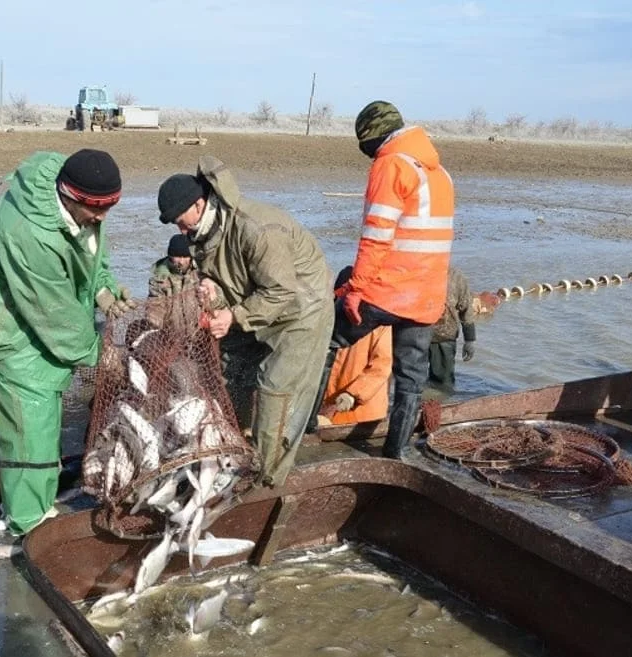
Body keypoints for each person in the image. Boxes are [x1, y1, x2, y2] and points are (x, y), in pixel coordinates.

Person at [0, 148, 134, 535]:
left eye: (108, 209)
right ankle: (26, 524)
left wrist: (103, 289)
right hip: (3, 322)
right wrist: (99, 354)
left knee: (47, 412)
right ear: (69, 196)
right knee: (28, 423)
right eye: (95, 209)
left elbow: (92, 252)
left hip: (38, 311)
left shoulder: (78, 199)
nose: (102, 218)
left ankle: (38, 502)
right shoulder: (28, 232)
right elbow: (53, 314)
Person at [157, 156, 333, 487]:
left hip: (303, 309)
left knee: (274, 388)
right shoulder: (201, 232)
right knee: (228, 372)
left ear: (199, 204)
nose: (180, 231)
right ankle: (233, 448)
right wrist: (213, 290)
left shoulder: (257, 228)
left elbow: (281, 292)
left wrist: (234, 315)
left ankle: (269, 478)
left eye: (181, 222)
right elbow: (226, 278)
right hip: (258, 303)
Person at [314, 100, 455, 459]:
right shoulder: (439, 174)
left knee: (320, 344)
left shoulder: (391, 164)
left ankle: (305, 430)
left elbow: (376, 236)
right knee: (411, 380)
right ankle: (395, 456)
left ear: (371, 137)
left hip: (386, 291)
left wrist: (355, 290)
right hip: (425, 299)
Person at [320, 267, 392, 426]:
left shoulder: (380, 325)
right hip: (328, 409)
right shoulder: (328, 320)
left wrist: (352, 394)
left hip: (364, 413)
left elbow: (382, 366)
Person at [424, 266, 477, 400]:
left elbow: (466, 309)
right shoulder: (414, 272)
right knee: (411, 383)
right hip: (414, 336)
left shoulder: (456, 276)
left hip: (444, 338)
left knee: (443, 386)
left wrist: (470, 340)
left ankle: (440, 413)